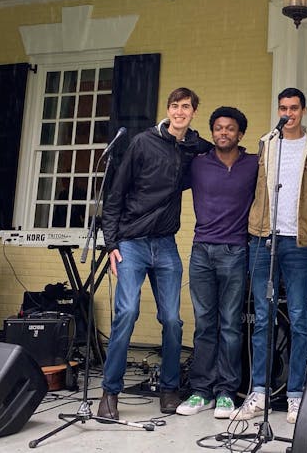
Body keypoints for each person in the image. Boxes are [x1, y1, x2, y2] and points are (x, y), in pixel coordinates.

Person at [98, 88, 212, 420]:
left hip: (165, 244)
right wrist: (111, 244)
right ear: (167, 109)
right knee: (127, 313)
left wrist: (200, 143)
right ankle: (109, 394)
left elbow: (213, 149)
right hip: (131, 243)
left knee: (173, 321)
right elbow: (115, 194)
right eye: (175, 106)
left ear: (193, 113)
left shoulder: (191, 147)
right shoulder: (142, 142)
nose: (180, 112)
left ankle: (169, 390)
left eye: (186, 107)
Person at [233, 88, 307, 425]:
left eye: (293, 108)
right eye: (283, 108)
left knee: (300, 319)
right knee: (263, 317)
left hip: (300, 242)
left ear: (303, 111)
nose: (288, 113)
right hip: (263, 239)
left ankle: (295, 395)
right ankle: (258, 392)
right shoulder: (266, 144)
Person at [176, 107, 258, 419]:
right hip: (201, 252)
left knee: (230, 325)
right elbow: (165, 173)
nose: (223, 133)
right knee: (205, 324)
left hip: (235, 251)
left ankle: (226, 392)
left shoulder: (254, 164)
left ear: (240, 134)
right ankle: (201, 391)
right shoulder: (198, 164)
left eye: (230, 129)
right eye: (218, 128)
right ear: (212, 132)